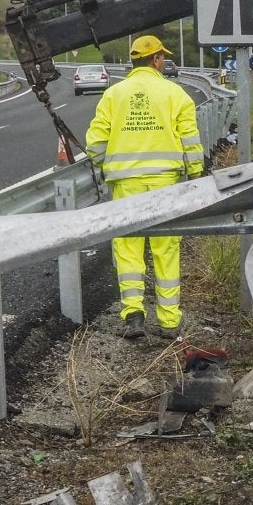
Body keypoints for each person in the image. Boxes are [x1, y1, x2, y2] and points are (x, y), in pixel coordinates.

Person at [85, 35, 205, 338]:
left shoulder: (113, 94)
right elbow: (190, 139)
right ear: (155, 60)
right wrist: (196, 174)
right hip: (166, 184)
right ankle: (168, 321)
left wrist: (104, 164)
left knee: (128, 248)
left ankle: (134, 315)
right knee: (166, 250)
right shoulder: (175, 93)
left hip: (125, 184)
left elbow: (95, 142)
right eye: (162, 57)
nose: (163, 62)